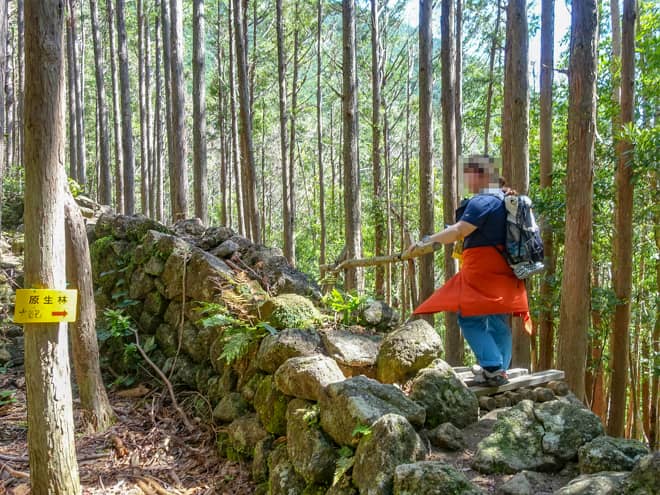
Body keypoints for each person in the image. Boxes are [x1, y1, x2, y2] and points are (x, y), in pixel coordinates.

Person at [405, 156, 530, 387]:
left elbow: (460, 230)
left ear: (481, 175)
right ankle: (500, 368)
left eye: (468, 175)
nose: (466, 181)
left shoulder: (483, 200)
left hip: (483, 270)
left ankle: (492, 367)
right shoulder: (506, 199)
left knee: (469, 316)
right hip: (508, 268)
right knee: (496, 317)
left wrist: (426, 241)